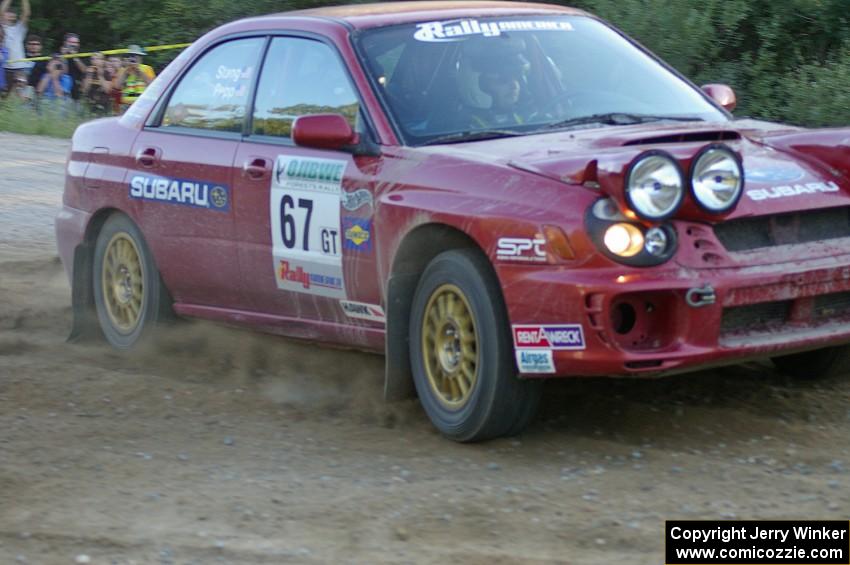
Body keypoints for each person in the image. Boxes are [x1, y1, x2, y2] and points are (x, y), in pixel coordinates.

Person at [468, 52, 530, 128]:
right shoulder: (467, 127)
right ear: (481, 85)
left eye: (517, 78)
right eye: (503, 80)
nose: (514, 86)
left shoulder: (533, 117)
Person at [1, 0, 30, 92]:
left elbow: (26, 13)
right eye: (8, 13)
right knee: (5, 97)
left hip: (20, 68)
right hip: (5, 68)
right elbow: (1, 12)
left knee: (21, 97)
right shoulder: (1, 29)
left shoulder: (19, 29)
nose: (10, 15)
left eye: (12, 13)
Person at [114, 44, 155, 110]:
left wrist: (138, 70)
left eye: (135, 56)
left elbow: (152, 85)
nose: (133, 58)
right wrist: (126, 72)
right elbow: (117, 86)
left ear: (140, 57)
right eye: (131, 56)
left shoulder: (147, 68)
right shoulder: (123, 70)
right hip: (126, 105)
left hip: (143, 104)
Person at [60, 32, 86, 101]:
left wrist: (75, 57)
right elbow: (63, 73)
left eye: (76, 42)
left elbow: (85, 71)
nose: (74, 44)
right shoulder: (59, 55)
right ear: (65, 43)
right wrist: (63, 57)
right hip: (62, 91)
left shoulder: (83, 54)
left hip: (78, 90)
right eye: (71, 42)